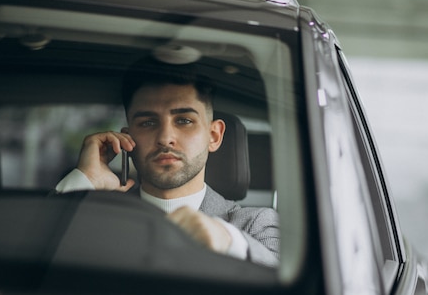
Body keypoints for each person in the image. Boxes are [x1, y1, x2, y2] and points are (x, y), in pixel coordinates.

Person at [55, 59, 279, 267]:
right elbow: (34, 268)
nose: (165, 137)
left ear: (214, 136)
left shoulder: (254, 224)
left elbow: (285, 285)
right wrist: (84, 181)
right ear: (127, 139)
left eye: (184, 120)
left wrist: (228, 242)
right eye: (148, 122)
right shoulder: (97, 219)